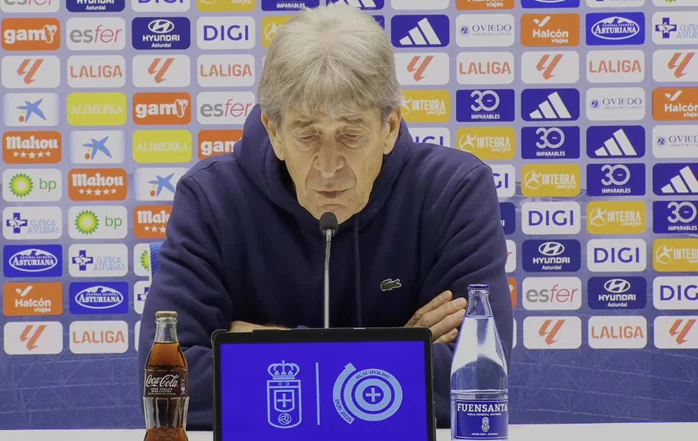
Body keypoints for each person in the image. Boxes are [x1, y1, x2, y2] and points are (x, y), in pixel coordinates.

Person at [139, 3, 513, 430]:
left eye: (351, 134)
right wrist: (402, 350)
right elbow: (167, 386)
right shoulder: (211, 197)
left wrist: (268, 350)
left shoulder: (454, 191)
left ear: (390, 127)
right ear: (274, 131)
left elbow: (477, 382)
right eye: (308, 134)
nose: (329, 166)